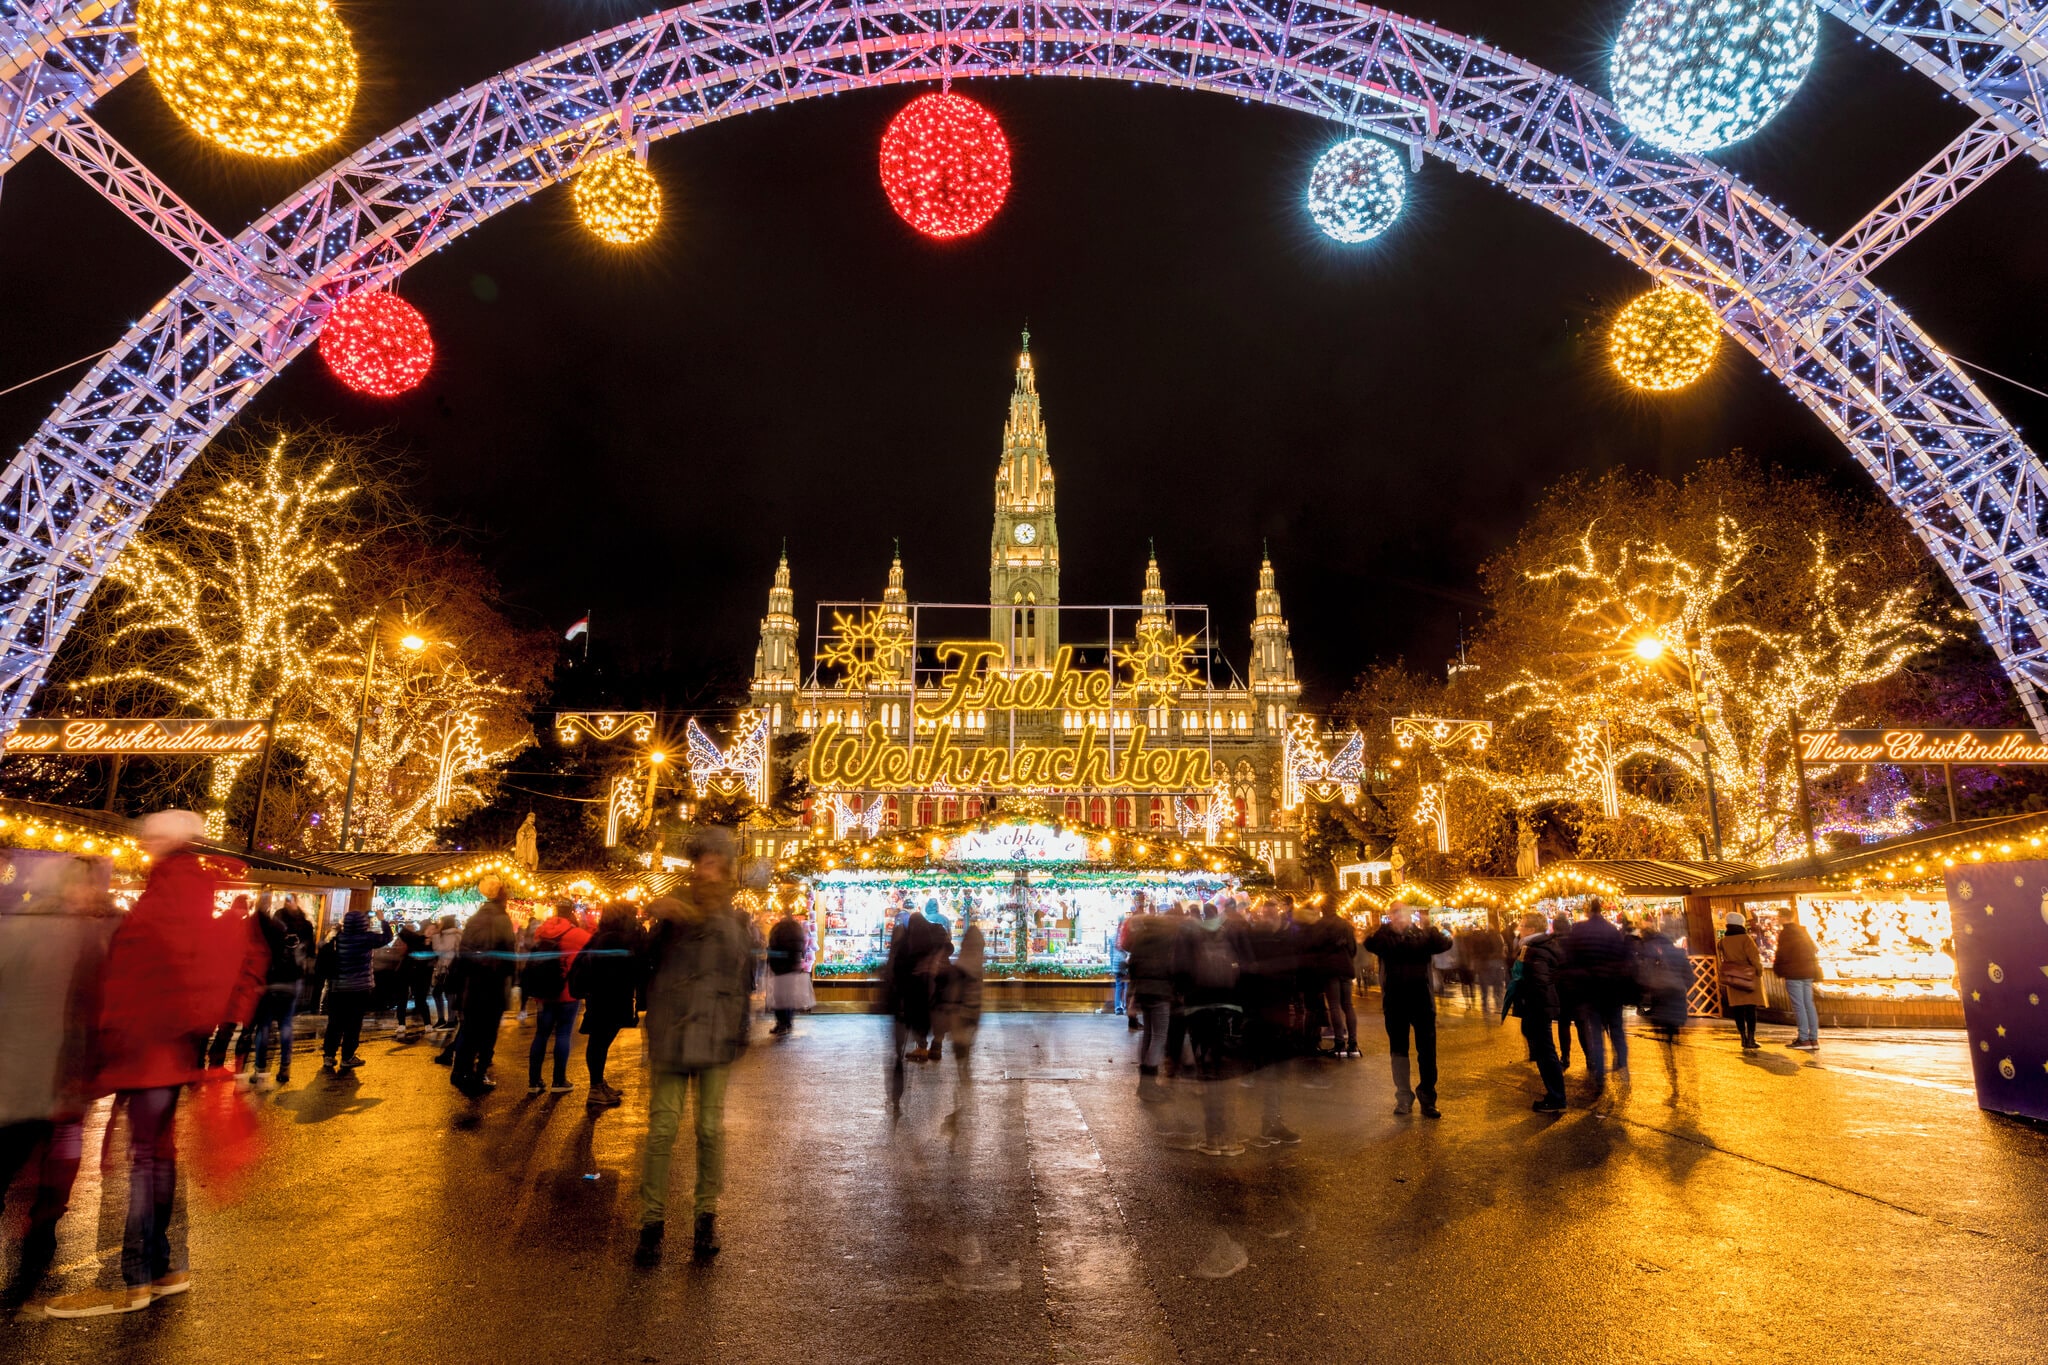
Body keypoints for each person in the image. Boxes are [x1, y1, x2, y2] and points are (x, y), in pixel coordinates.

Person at [45, 811, 242, 1318]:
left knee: (144, 1164)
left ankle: (133, 1279)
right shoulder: (192, 888)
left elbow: (143, 976)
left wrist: (108, 1050)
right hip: (170, 1052)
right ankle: (162, 1267)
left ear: (164, 840)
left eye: (150, 837)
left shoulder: (166, 892)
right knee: (157, 1159)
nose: (144, 844)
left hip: (147, 1052)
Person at [0, 857, 117, 1310]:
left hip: (35, 1072)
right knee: (48, 1159)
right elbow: (95, 1007)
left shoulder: (18, 927)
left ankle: (38, 1246)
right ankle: (38, 1246)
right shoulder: (84, 937)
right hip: (51, 1073)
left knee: (24, 1159)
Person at [636, 827, 754, 1267]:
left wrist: (690, 917)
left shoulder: (731, 920)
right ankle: (651, 1223)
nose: (707, 870)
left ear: (724, 871)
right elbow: (643, 961)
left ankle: (705, 1215)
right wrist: (657, 918)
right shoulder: (671, 913)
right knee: (662, 1130)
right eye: (702, 862)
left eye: (715, 864)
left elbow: (736, 964)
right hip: (671, 1035)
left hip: (714, 1036)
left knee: (709, 1130)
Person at [1365, 905, 1452, 1118]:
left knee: (1427, 1051)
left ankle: (1428, 1097)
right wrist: (1385, 929)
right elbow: (1372, 944)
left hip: (1422, 1000)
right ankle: (1403, 1096)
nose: (1398, 917)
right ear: (1389, 916)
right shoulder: (1384, 938)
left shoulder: (1422, 935)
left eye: (1401, 912)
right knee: (1399, 1051)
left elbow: (1445, 942)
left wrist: (1428, 927)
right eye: (1394, 913)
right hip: (1395, 1002)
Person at [1562, 898, 1636, 1102]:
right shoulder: (1612, 931)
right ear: (1601, 910)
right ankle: (1621, 1062)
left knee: (1596, 1033)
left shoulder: (1578, 931)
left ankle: (1600, 1075)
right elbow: (1622, 958)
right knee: (1616, 1028)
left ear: (1587, 911)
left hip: (1589, 988)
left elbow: (1570, 958)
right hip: (1611, 988)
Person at [450, 878, 516, 1096]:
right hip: (491, 984)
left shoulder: (476, 918)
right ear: (500, 894)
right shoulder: (501, 918)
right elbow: (508, 954)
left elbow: (464, 950)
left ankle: (460, 1071)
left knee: (469, 1030)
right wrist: (510, 975)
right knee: (487, 1032)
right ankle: (479, 1074)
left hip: (471, 984)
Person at [572, 901, 640, 1107]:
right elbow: (618, 969)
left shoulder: (603, 936)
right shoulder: (612, 939)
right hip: (607, 998)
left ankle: (599, 1083)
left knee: (601, 1042)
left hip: (604, 997)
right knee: (599, 1042)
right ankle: (595, 1087)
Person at [522, 901, 591, 1096]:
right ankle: (559, 1080)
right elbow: (591, 945)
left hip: (544, 993)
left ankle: (534, 1082)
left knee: (541, 1035)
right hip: (568, 992)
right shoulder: (577, 934)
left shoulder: (543, 930)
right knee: (562, 1035)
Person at [886, 897, 953, 1098]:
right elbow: (950, 947)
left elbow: (902, 961)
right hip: (941, 978)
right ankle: (937, 1046)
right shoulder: (939, 928)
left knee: (919, 1012)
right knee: (939, 1013)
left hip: (922, 982)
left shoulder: (912, 937)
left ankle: (922, 1047)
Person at [1504, 911, 1567, 1113]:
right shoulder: (1535, 947)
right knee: (1543, 1049)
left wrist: (1524, 994)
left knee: (1546, 1051)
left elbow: (1539, 981)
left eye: (1522, 926)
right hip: (1538, 1005)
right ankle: (1555, 1095)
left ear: (1531, 929)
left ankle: (1556, 1097)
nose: (1518, 929)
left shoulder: (1535, 950)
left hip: (1538, 1006)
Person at [242, 895, 308, 1087]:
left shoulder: (269, 930)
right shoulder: (303, 927)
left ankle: (260, 1070)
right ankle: (285, 1068)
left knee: (264, 1027)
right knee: (285, 1026)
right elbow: (307, 955)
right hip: (291, 983)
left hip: (270, 983)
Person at [323, 906, 392, 1072]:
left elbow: (322, 946)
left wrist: (334, 930)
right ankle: (347, 1057)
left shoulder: (338, 937)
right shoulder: (367, 938)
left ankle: (329, 1056)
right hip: (359, 989)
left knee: (334, 1023)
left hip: (337, 988)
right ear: (363, 924)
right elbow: (387, 937)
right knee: (353, 1024)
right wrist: (382, 920)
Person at [1125, 901, 1177, 1100]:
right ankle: (1149, 1081)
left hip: (1143, 992)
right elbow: (1172, 966)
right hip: (1161, 992)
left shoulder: (1140, 939)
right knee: (1159, 1036)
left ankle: (1143, 1082)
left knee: (1147, 1033)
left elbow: (1132, 965)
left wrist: (1135, 991)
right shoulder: (1165, 942)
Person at [1635, 922, 1692, 1102]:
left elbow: (1644, 978)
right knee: (1679, 1044)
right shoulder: (1677, 952)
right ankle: (1689, 1083)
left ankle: (1674, 1085)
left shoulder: (1650, 954)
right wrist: (1681, 989)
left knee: (1666, 1048)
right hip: (1678, 1003)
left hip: (1661, 1003)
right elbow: (1690, 977)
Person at [936, 919, 985, 1082]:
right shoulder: (978, 965)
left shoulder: (960, 964)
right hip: (973, 1010)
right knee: (967, 1039)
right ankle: (964, 1064)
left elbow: (954, 989)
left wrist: (949, 1006)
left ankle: (962, 1065)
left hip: (960, 1010)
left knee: (961, 1039)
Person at [1717, 912, 1766, 1050]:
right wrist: (1759, 971)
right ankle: (1751, 1039)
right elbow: (1754, 958)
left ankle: (1743, 1038)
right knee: (1750, 1008)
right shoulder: (1746, 939)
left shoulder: (1723, 941)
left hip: (1733, 978)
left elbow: (1722, 958)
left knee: (1738, 1009)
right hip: (1748, 976)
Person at [763, 906, 813, 1036]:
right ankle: (788, 1022)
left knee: (779, 997)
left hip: (780, 966)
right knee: (789, 995)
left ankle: (781, 1023)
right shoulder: (797, 929)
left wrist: (771, 957)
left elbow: (773, 944)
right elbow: (802, 947)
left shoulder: (779, 929)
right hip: (792, 966)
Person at [1773, 918, 1822, 1050]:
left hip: (1794, 974)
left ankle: (1803, 1039)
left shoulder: (1786, 934)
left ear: (1783, 917)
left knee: (1799, 1006)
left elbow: (1781, 953)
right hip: (1808, 973)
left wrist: (1778, 969)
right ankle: (1814, 1039)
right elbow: (1814, 949)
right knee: (1809, 1005)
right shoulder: (1803, 932)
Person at [429, 912, 462, 1030]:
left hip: (448, 968)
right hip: (445, 968)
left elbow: (439, 950)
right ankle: (444, 1019)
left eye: (441, 922)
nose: (439, 924)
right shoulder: (452, 934)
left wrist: (436, 936)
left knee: (449, 994)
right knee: (442, 993)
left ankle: (451, 1020)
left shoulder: (450, 935)